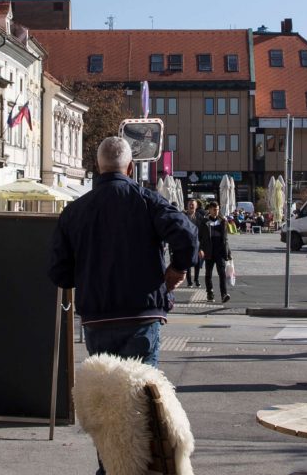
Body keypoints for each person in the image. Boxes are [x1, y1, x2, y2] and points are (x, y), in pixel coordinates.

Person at [48, 136, 198, 371]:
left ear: (98, 167)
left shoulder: (74, 212)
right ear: (130, 168)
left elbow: (59, 272)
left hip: (97, 317)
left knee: (108, 396)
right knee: (141, 393)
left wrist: (87, 277)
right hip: (142, 314)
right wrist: (177, 268)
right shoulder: (147, 201)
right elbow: (187, 234)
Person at [202, 202, 232, 304]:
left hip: (220, 251)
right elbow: (200, 237)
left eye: (218, 209)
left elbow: (225, 239)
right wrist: (200, 249)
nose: (216, 211)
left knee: (222, 274)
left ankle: (224, 294)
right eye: (214, 209)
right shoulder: (204, 221)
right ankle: (210, 292)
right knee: (208, 274)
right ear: (209, 210)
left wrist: (228, 252)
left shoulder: (222, 221)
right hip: (209, 251)